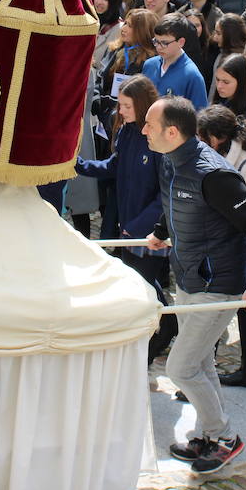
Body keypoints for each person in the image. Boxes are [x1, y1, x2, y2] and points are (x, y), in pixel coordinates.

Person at [144, 96, 246, 474]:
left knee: (181, 369)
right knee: (200, 362)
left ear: (172, 131)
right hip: (188, 275)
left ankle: (225, 436)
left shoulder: (213, 173)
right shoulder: (170, 160)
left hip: (219, 282)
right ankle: (207, 436)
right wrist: (161, 232)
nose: (144, 130)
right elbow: (175, 204)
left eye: (150, 125)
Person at [75, 75, 176, 360]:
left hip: (147, 232)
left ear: (142, 106)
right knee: (142, 285)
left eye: (126, 106)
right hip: (129, 228)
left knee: (143, 287)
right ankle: (164, 330)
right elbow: (115, 165)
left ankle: (161, 334)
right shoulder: (127, 131)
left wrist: (141, 226)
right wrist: (80, 166)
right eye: (120, 105)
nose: (121, 111)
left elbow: (164, 193)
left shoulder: (158, 141)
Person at [196, 105, 246, 388]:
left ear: (216, 138)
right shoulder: (211, 160)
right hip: (223, 250)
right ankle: (215, 373)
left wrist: (235, 219)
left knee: (244, 316)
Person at [140, 15, 209, 108]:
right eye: (156, 41)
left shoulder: (192, 75)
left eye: (164, 43)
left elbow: (199, 115)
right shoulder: (149, 65)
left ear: (181, 42)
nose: (159, 47)